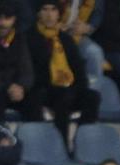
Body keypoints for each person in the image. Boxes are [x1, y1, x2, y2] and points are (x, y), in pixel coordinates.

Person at [28, 1, 100, 143]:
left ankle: (81, 141)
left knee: (92, 97)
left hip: (67, 88)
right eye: (45, 9)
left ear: (58, 14)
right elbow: (31, 70)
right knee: (63, 96)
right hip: (42, 89)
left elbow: (78, 69)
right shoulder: (30, 37)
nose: (49, 15)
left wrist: (78, 88)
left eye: (53, 10)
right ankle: (62, 144)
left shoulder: (65, 39)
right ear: (38, 13)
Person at [0, 0, 35, 121]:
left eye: (7, 18)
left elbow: (27, 70)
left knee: (35, 99)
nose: (2, 23)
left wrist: (21, 86)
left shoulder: (20, 39)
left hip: (17, 89)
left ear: (14, 19)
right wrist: (7, 87)